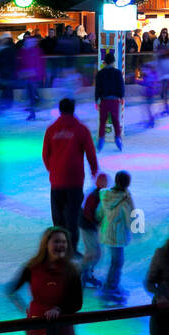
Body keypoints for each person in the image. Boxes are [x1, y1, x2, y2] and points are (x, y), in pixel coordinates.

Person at [42, 98, 99, 255]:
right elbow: (90, 153)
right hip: (74, 181)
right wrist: (94, 171)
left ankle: (56, 249)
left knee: (58, 218)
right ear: (73, 110)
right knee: (72, 218)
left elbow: (45, 154)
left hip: (57, 182)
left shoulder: (51, 129)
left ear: (60, 110)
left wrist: (53, 170)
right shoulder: (81, 129)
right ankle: (71, 250)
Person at [99, 170, 135, 304]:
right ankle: (110, 289)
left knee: (115, 262)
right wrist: (137, 230)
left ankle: (111, 285)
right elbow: (130, 216)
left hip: (107, 232)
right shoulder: (125, 198)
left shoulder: (106, 194)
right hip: (118, 235)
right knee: (117, 262)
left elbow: (100, 212)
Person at [80, 172, 108, 288]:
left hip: (90, 226)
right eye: (104, 181)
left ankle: (86, 274)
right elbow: (88, 213)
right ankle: (80, 274)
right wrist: (98, 223)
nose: (106, 184)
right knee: (92, 253)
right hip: (87, 226)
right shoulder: (94, 195)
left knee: (96, 253)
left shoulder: (100, 194)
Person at [94, 50, 125, 152]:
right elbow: (121, 86)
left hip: (104, 100)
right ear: (113, 62)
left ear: (105, 62)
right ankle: (118, 139)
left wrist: (96, 100)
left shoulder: (100, 73)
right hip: (114, 100)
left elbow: (97, 88)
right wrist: (122, 97)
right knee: (116, 121)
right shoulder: (117, 73)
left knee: (102, 121)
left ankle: (101, 140)